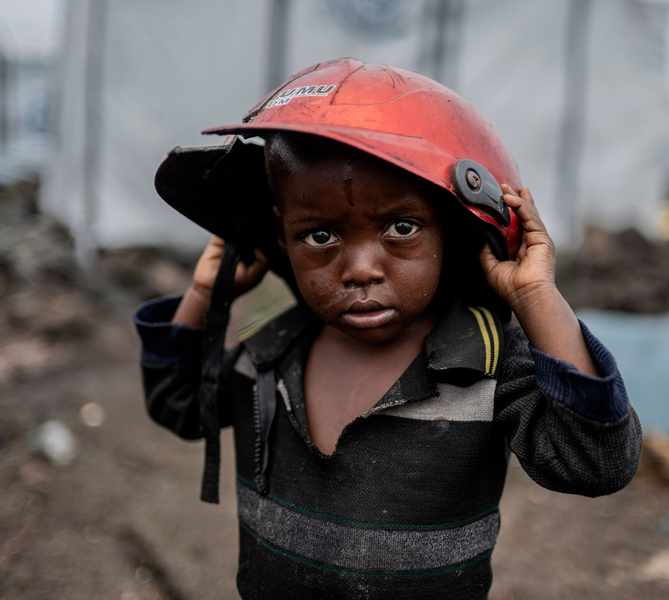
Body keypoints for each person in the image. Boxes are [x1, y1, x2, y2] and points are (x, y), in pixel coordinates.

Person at [134, 58, 642, 599]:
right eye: (320, 236)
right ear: (282, 238)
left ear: (452, 232)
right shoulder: (267, 352)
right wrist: (204, 294)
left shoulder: (484, 362)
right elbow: (178, 404)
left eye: (402, 227)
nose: (360, 270)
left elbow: (595, 462)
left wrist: (535, 295)